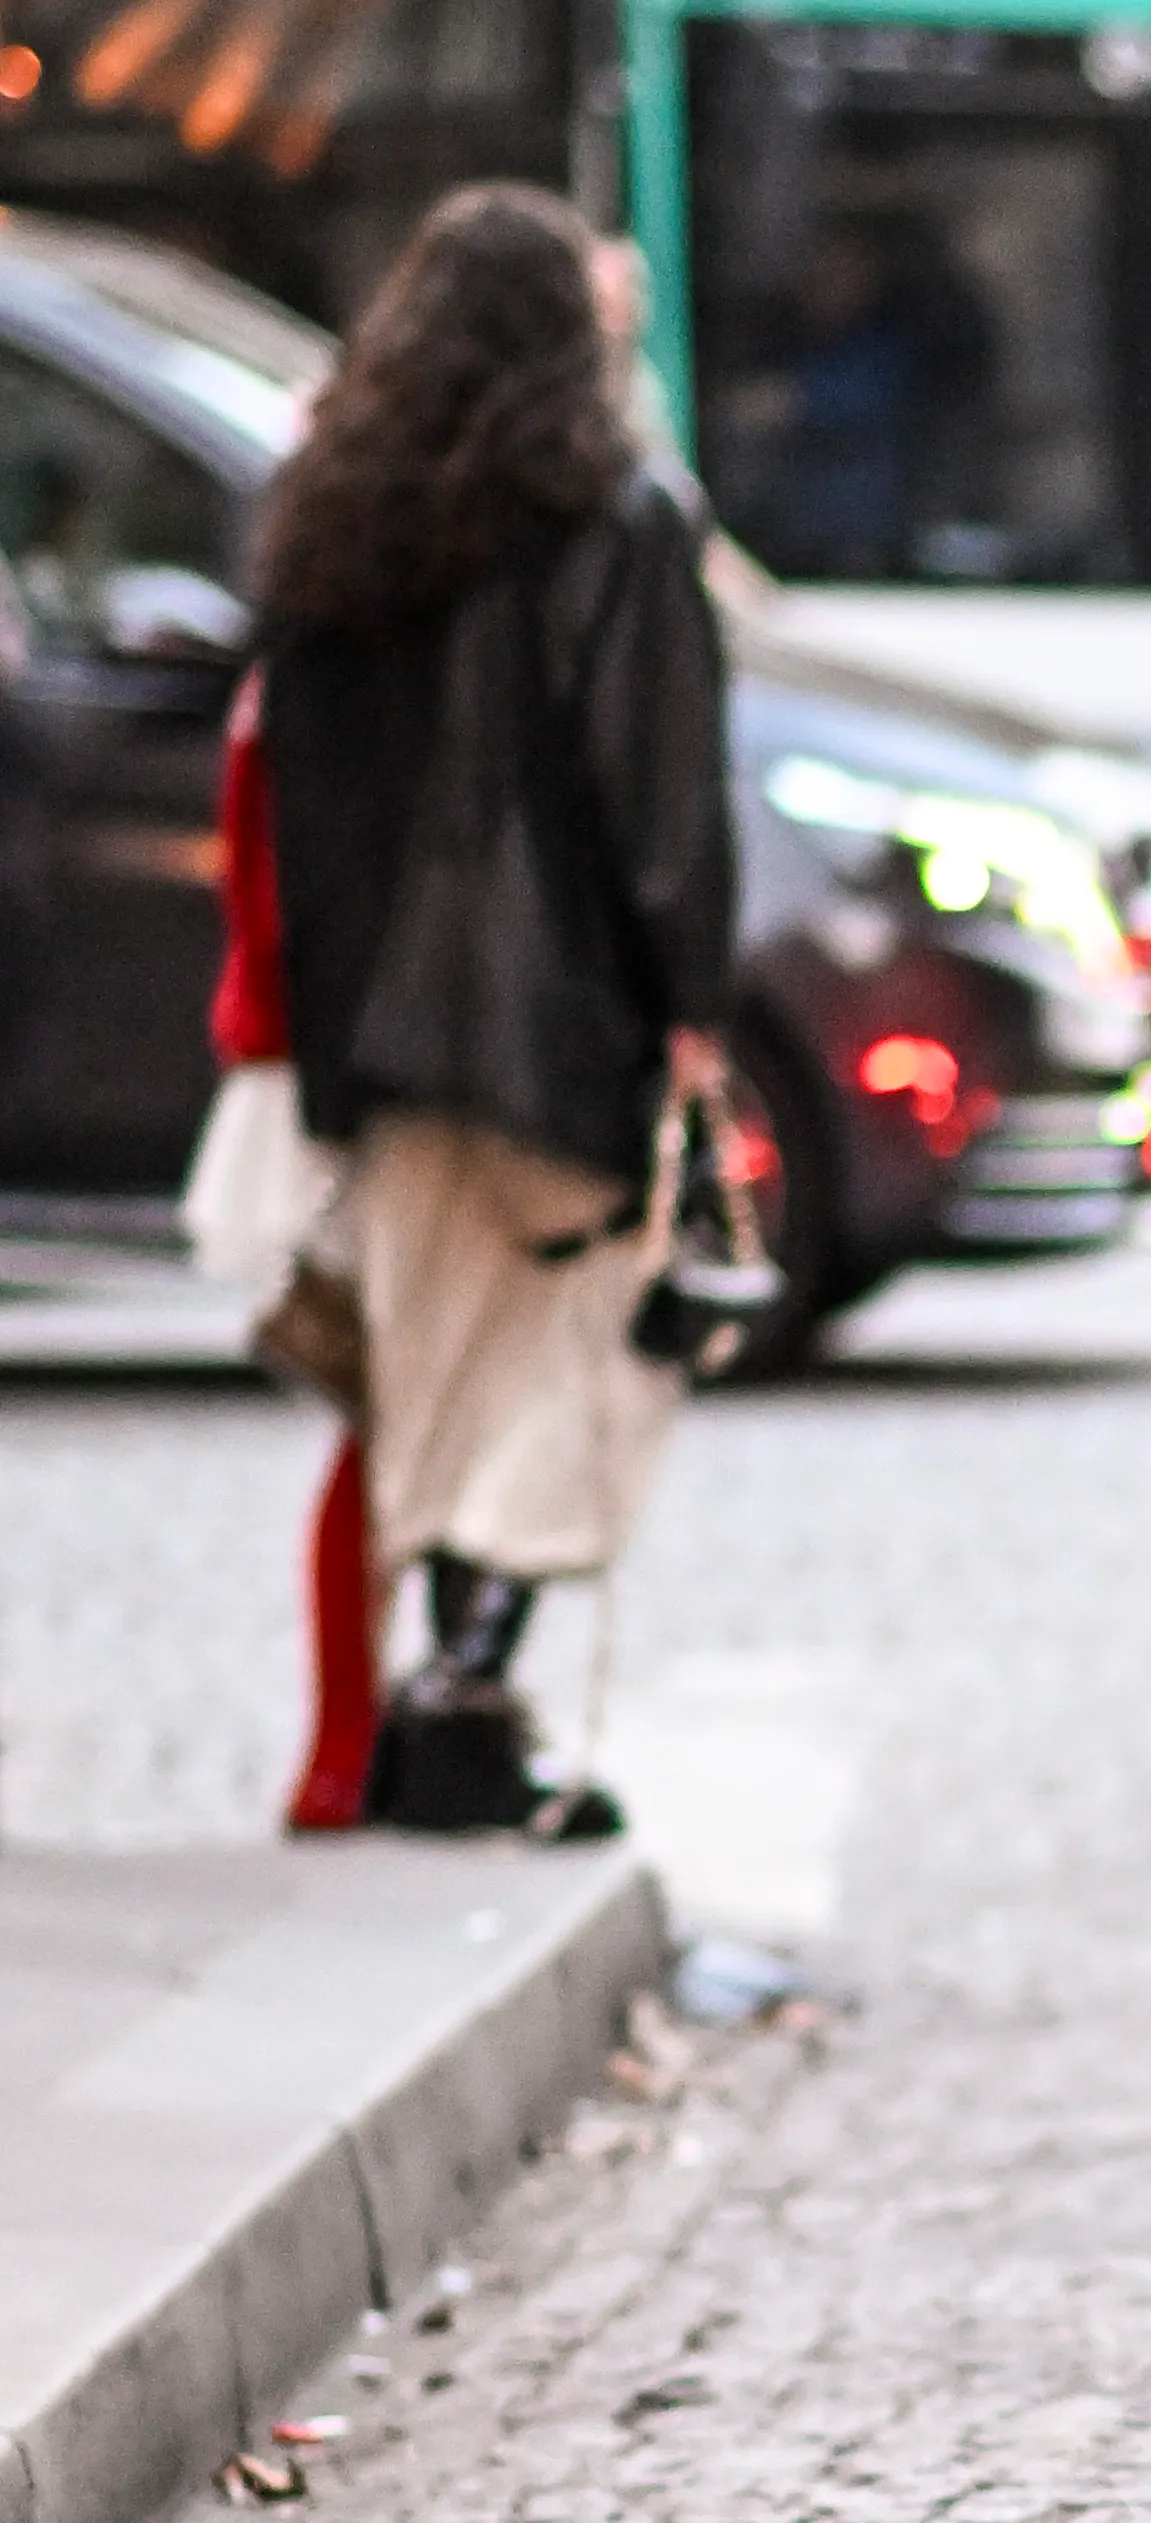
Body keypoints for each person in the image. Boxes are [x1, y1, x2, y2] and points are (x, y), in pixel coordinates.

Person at [249, 181, 738, 1836]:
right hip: (558, 1026)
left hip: (379, 1027)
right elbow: (659, 803)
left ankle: (426, 1710)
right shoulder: (621, 523)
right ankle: (466, 1691)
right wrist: (690, 1007)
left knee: (431, 1364)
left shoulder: (334, 518)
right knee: (559, 1370)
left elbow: (299, 801)